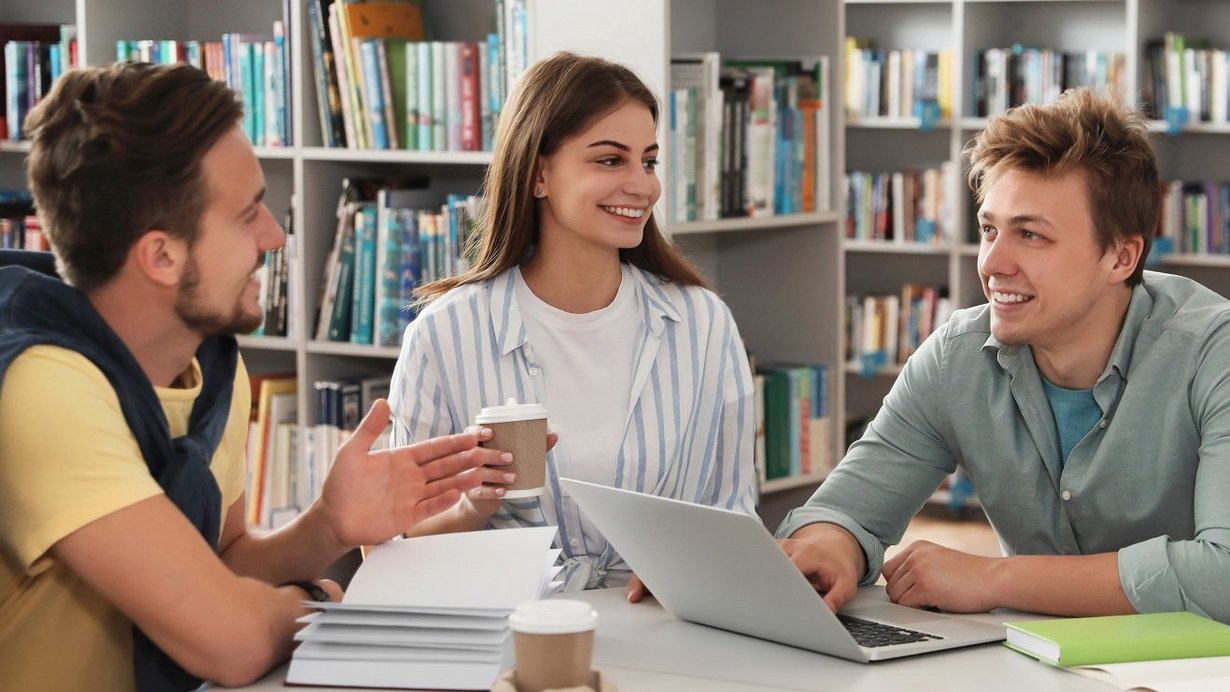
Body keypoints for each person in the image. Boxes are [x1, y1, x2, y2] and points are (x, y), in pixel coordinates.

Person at [0, 62, 504, 690]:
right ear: (161, 255)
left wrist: (329, 525)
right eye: (247, 214)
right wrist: (312, 602)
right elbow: (230, 642)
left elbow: (220, 567)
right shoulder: (40, 387)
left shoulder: (210, 365)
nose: (274, 237)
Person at [777, 87, 1230, 624]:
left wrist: (995, 577)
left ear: (1121, 257)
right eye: (989, 229)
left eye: (1031, 235)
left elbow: (1223, 576)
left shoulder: (1213, 352)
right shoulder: (957, 357)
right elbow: (845, 509)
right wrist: (831, 546)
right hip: (1027, 660)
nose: (993, 263)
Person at [388, 51, 757, 595]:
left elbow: (734, 514)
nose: (643, 186)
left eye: (648, 162)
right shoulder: (445, 334)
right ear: (539, 174)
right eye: (610, 160)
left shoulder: (702, 324)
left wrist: (693, 567)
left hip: (666, 627)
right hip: (512, 629)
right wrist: (472, 505)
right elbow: (393, 542)